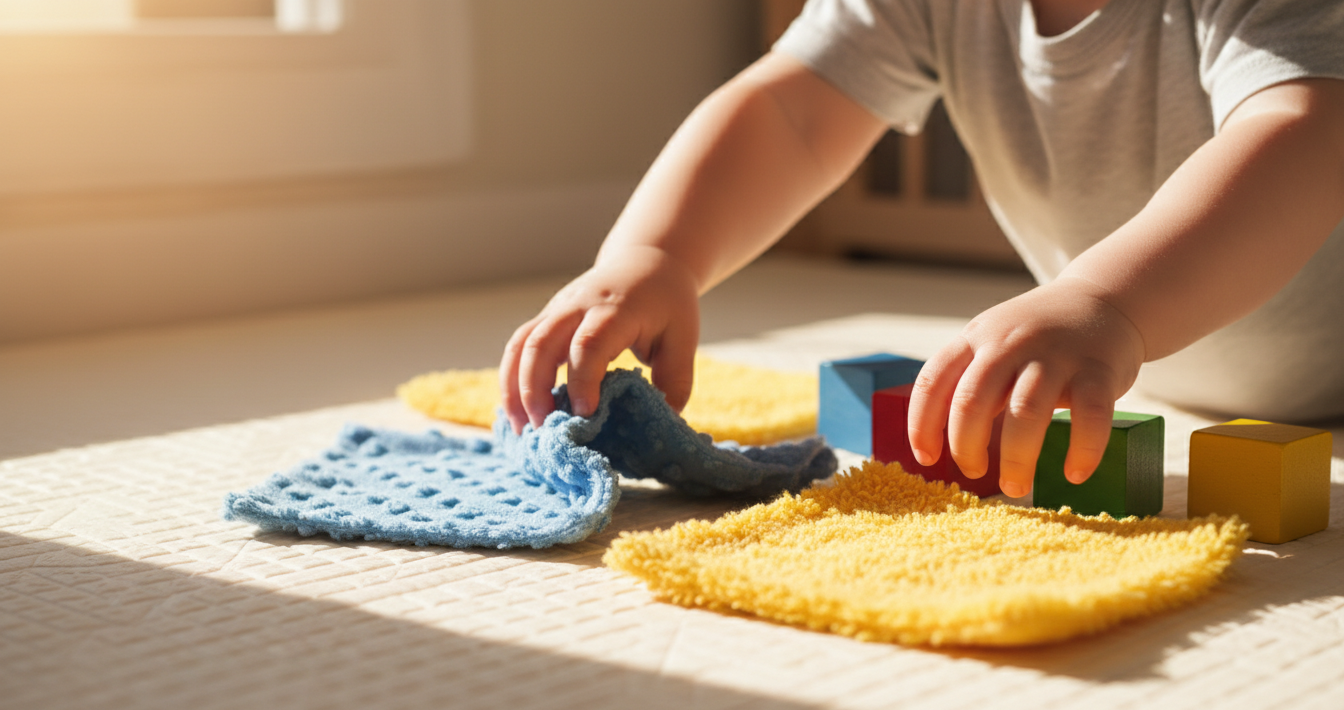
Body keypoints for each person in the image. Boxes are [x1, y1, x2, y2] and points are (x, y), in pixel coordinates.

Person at [500, 0, 1344, 498]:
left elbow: (1306, 129)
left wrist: (1107, 300)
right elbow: (792, 113)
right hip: (1186, 367)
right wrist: (656, 254)